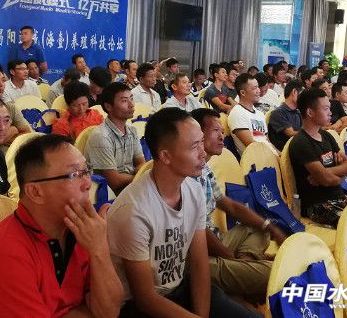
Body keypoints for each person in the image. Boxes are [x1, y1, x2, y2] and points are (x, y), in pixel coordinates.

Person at [106, 108, 259, 318]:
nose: (203, 153)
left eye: (201, 142)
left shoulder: (193, 190)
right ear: (166, 156)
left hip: (179, 288)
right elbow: (145, 299)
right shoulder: (133, 212)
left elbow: (198, 264)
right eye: (194, 146)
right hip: (140, 308)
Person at [0, 134, 123, 316]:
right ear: (35, 192)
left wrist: (99, 248)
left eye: (87, 170)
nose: (88, 183)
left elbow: (109, 312)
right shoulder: (4, 252)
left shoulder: (81, 230)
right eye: (74, 174)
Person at [191, 107, 286, 300]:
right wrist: (230, 257)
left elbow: (230, 205)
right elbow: (198, 230)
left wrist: (269, 226)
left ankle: (242, 272)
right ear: (197, 135)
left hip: (217, 240)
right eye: (215, 130)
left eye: (222, 131)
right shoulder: (185, 175)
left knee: (259, 228)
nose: (222, 136)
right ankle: (242, 274)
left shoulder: (205, 168)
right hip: (199, 255)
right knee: (279, 273)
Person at [289, 88, 347, 217]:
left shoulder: (326, 135)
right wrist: (339, 175)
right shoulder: (301, 142)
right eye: (326, 109)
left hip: (339, 198)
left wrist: (326, 172)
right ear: (310, 112)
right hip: (317, 206)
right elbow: (327, 180)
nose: (330, 113)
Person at [86, 83, 145, 194]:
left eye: (131, 99)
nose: (131, 104)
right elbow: (114, 181)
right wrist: (141, 178)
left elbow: (141, 164)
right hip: (110, 194)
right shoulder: (101, 136)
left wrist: (140, 175)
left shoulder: (132, 130)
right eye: (124, 101)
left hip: (130, 187)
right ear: (108, 106)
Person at [227, 73, 271, 156]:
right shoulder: (237, 113)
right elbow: (251, 145)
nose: (258, 91)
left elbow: (267, 141)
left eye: (258, 87)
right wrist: (274, 156)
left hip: (268, 154)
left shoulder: (260, 114)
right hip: (255, 159)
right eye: (254, 88)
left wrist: (279, 155)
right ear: (243, 93)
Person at [267, 79, 304, 151]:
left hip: (298, 148)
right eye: (302, 95)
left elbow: (303, 129)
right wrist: (311, 132)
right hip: (285, 152)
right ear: (294, 92)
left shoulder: (297, 112)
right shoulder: (278, 112)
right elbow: (291, 133)